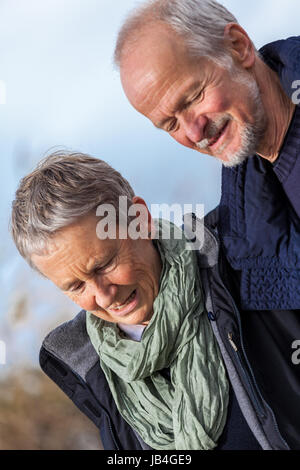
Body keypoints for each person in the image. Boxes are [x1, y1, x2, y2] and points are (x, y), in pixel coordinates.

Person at [114, 0, 300, 449]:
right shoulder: (236, 239)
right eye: (168, 124)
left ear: (238, 47)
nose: (193, 132)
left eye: (192, 97)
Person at [11, 151, 275, 450]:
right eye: (75, 286)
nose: (102, 295)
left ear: (140, 219)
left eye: (104, 265)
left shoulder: (246, 269)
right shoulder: (91, 369)